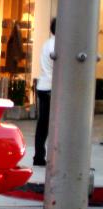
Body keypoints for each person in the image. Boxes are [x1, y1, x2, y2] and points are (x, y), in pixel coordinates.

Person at [33, 17, 56, 166]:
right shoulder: (58, 46)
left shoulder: (47, 43)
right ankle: (44, 156)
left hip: (43, 86)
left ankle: (39, 156)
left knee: (43, 124)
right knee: (55, 125)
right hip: (52, 88)